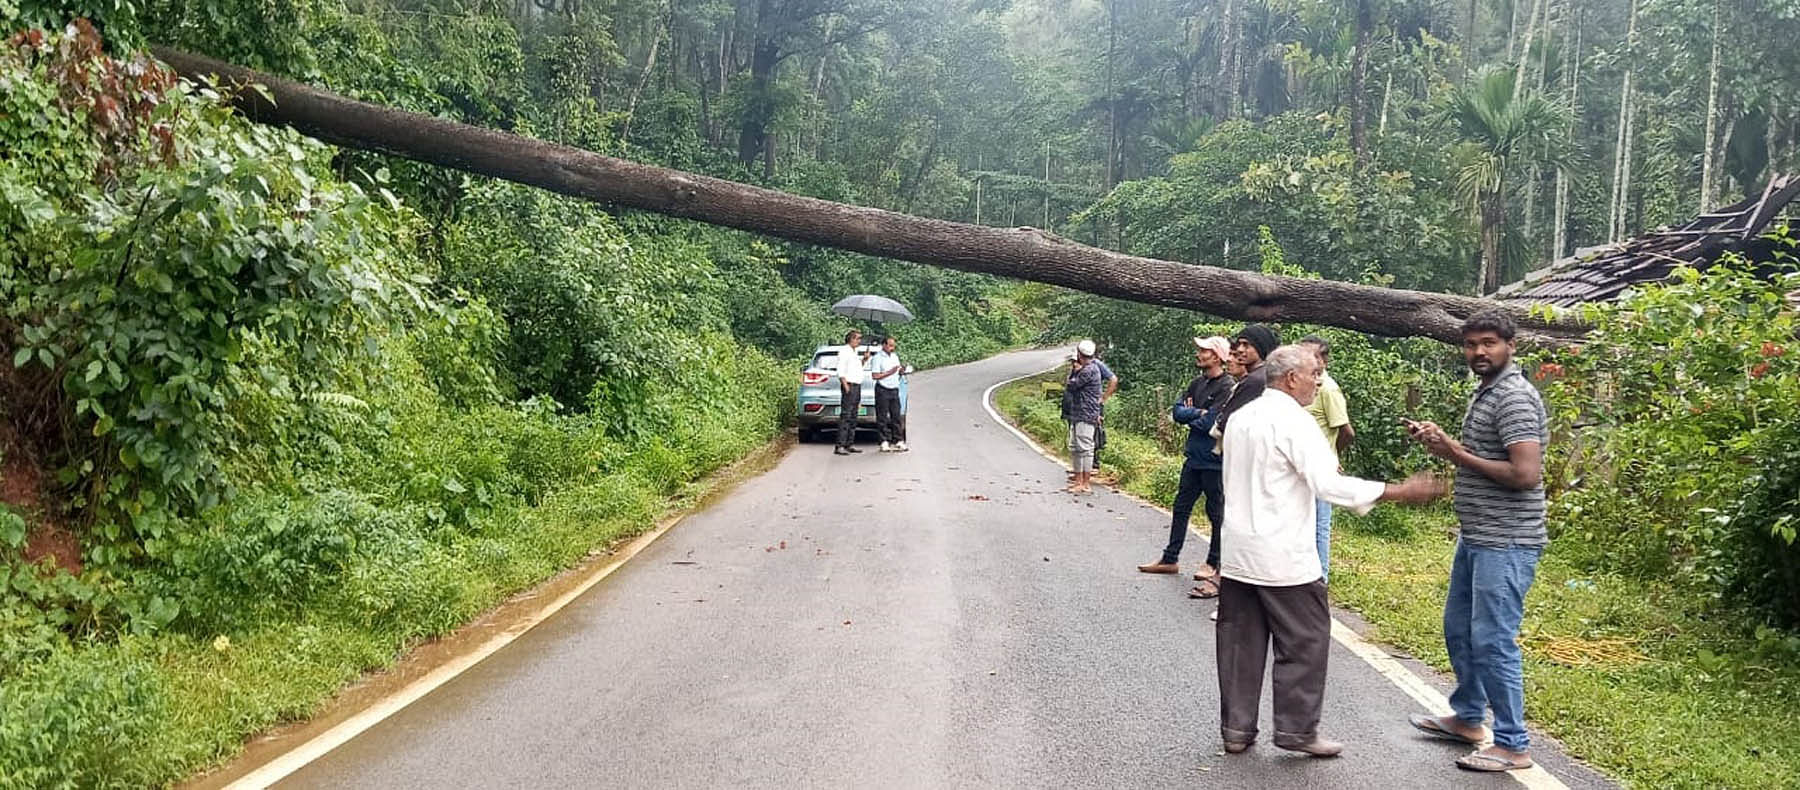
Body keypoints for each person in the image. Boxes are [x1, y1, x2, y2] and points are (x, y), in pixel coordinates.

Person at [1216, 345, 1442, 758]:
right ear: (1290, 379)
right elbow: (1328, 484)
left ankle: (1236, 729)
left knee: (1239, 644)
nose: (1317, 382)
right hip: (1283, 555)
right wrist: (1396, 491)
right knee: (1305, 640)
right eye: (1312, 375)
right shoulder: (1296, 423)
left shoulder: (1243, 416)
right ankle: (1298, 731)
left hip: (1237, 550)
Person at [1403, 310, 1550, 774]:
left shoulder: (1515, 398)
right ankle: (1468, 717)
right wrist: (1444, 446)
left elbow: (1525, 475)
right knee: (1460, 630)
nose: (1478, 352)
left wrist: (1454, 453)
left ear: (1511, 344)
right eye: (1470, 345)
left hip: (1506, 541)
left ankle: (1512, 743)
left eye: (1488, 343)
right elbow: (1486, 458)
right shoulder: (1487, 391)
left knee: (1493, 640)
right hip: (1478, 536)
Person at [1137, 336, 1234, 583]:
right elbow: (1177, 412)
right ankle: (1170, 559)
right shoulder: (1196, 383)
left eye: (1203, 351)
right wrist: (1196, 413)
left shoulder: (1227, 387)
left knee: (1216, 514)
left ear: (1216, 356)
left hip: (1215, 461)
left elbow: (1211, 422)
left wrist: (1194, 415)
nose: (1198, 354)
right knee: (1180, 508)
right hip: (1193, 457)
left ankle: (1214, 562)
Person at [1193, 324, 1279, 598]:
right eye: (1238, 344)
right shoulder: (1258, 378)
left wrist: (1210, 421)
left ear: (1263, 348)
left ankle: (1226, 581)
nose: (1239, 350)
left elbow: (1222, 422)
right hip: (1247, 460)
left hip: (1246, 463)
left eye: (1247, 345)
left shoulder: (1255, 381)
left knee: (1236, 522)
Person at [1299, 335, 1354, 581]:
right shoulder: (1303, 385)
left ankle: (1320, 578)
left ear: (1323, 361)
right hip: (1300, 467)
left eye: (1309, 355)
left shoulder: (1328, 389)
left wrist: (1332, 456)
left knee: (1320, 525)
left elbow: (1346, 431)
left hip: (1320, 469)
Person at [1062, 340, 1105, 494]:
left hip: (1086, 414)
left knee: (1085, 449)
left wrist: (1074, 371)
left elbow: (1071, 385)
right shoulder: (1087, 369)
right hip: (1078, 413)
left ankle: (1085, 483)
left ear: (1080, 354)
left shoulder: (1089, 370)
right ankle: (1078, 480)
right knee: (1075, 447)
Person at [833, 329, 870, 456]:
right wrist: (845, 385)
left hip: (857, 385)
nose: (859, 341)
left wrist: (864, 360)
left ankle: (849, 443)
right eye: (858, 338)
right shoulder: (844, 351)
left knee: (854, 416)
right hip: (849, 385)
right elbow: (841, 369)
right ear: (851, 339)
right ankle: (840, 445)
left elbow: (855, 368)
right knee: (846, 416)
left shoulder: (854, 352)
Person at [869, 336, 907, 452]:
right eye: (890, 345)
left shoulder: (895, 357)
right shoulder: (877, 358)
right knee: (882, 417)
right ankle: (883, 441)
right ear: (884, 345)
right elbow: (875, 376)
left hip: (894, 388)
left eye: (893, 345)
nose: (892, 348)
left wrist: (901, 370)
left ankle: (898, 440)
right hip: (883, 388)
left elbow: (898, 372)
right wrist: (890, 372)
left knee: (896, 416)